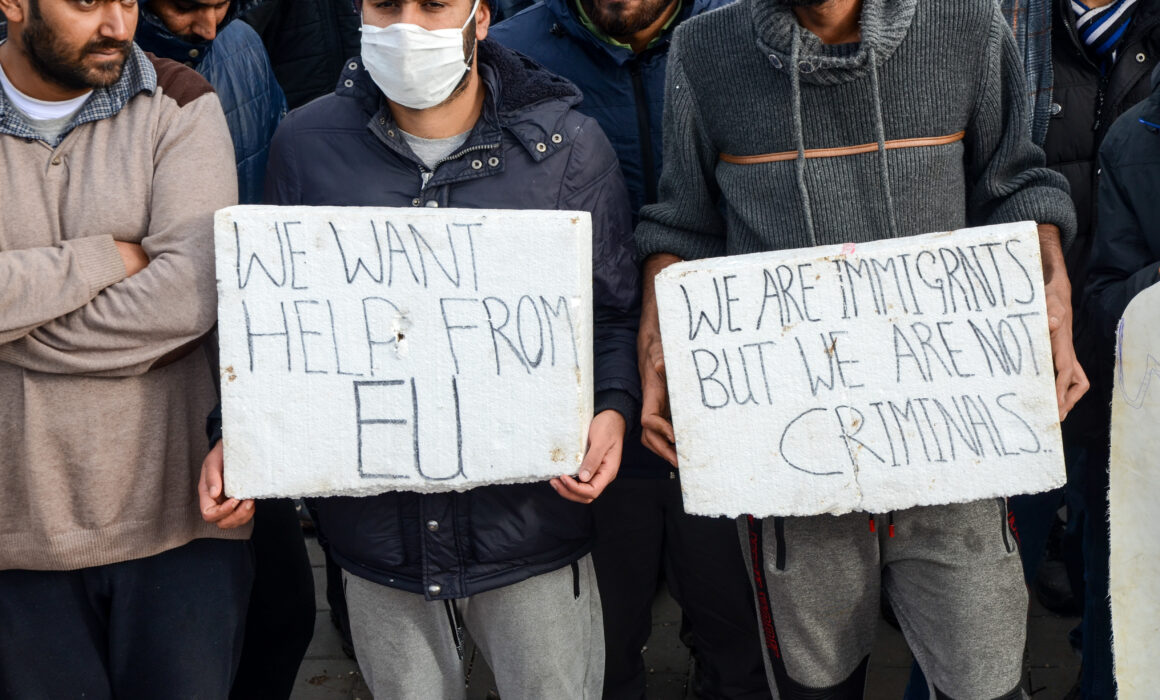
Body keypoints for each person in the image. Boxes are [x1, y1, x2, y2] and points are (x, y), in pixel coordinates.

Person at [634, 0, 1087, 697]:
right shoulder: (703, 51)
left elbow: (1015, 185)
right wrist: (657, 324)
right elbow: (685, 220)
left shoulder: (968, 26)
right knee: (815, 681)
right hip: (796, 461)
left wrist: (1049, 274)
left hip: (956, 445)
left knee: (985, 676)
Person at [212, 0, 640, 695]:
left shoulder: (567, 147)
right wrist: (238, 434)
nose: (407, 24)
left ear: (481, 16)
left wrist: (613, 410)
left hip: (529, 527)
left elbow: (613, 315)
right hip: (378, 541)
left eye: (435, 5)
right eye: (386, 3)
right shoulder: (305, 144)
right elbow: (272, 326)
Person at [491, 1, 772, 698]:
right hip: (583, 415)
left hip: (734, 400)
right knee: (600, 647)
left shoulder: (747, 35)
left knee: (739, 639)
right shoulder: (508, 56)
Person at [0, 0, 249, 695]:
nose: (118, 23)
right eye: (87, 2)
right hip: (15, 528)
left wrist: (14, 322)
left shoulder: (180, 102)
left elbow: (188, 299)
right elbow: (152, 297)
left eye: (128, 0)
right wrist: (103, 258)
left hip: (176, 521)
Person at [134, 0, 286, 204]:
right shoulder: (102, 65)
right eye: (185, 7)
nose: (209, 30)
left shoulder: (245, 42)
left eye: (220, 5)